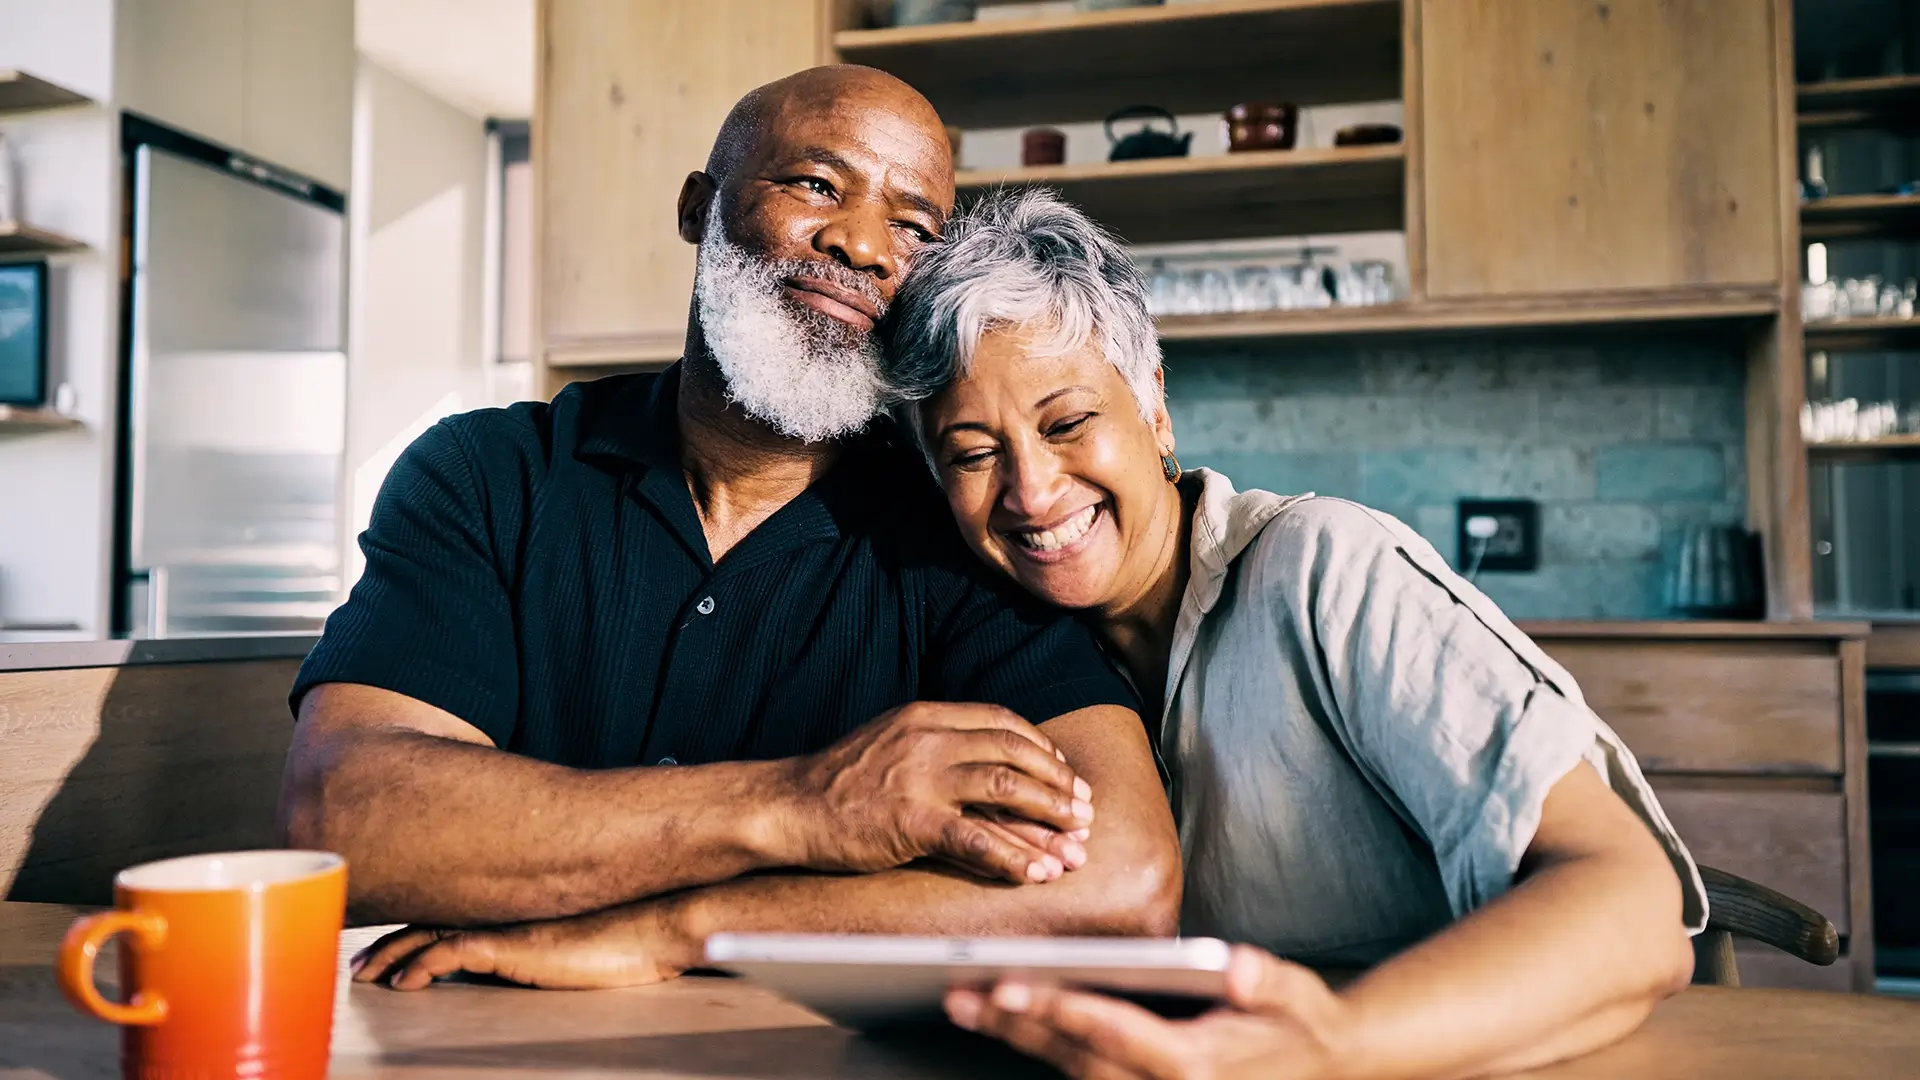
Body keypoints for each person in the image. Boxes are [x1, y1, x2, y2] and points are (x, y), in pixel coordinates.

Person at [279, 69, 1179, 992]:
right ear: (698, 208)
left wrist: (684, 927)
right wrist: (803, 805)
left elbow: (1123, 879)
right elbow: (343, 819)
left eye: (913, 227)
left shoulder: (957, 526)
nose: (863, 244)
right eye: (816, 185)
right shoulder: (488, 475)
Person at [882, 188, 1705, 1079]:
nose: (1032, 492)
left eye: (1069, 423)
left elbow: (1633, 907)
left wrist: (1330, 1046)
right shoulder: (1004, 658)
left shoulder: (1323, 569)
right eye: (973, 453)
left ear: (1154, 406)